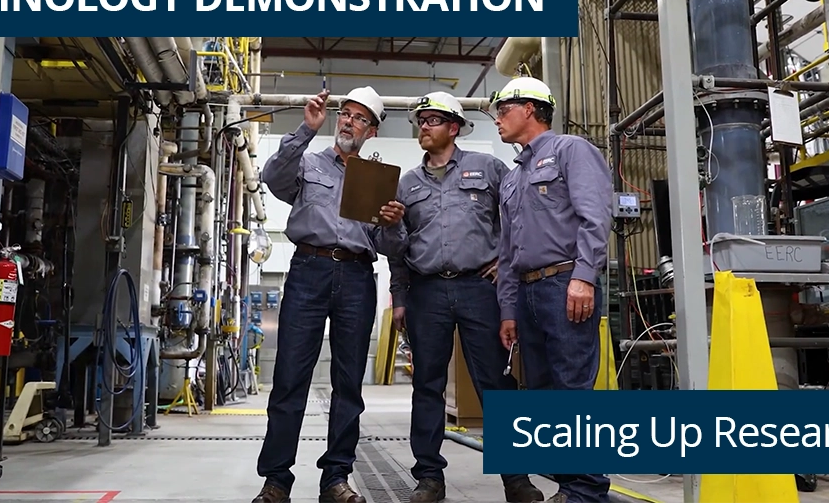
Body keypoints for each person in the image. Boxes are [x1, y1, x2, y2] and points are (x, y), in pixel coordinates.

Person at [386, 92, 545, 503]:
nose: (423, 126)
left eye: (433, 120)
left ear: (454, 127)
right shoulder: (405, 184)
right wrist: (399, 295)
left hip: (480, 289)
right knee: (427, 385)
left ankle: (516, 479)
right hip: (426, 292)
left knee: (496, 383)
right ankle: (429, 479)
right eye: (420, 120)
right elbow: (398, 248)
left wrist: (506, 261)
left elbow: (520, 214)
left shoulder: (488, 168)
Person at [254, 87, 406, 503]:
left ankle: (335, 478)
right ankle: (276, 481)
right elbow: (272, 177)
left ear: (371, 131)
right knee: (289, 379)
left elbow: (389, 245)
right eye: (345, 114)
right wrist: (306, 127)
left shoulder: (377, 180)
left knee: (348, 384)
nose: (348, 122)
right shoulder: (307, 163)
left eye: (359, 118)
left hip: (357, 276)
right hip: (308, 271)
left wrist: (393, 223)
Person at [493, 77, 614, 503]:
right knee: (543, 392)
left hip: (565, 284)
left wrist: (584, 275)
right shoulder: (511, 179)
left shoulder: (570, 151)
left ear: (530, 108)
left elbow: (596, 216)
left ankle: (586, 490)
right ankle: (569, 483)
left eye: (503, 108)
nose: (497, 117)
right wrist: (508, 309)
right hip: (527, 294)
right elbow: (507, 252)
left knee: (572, 388)